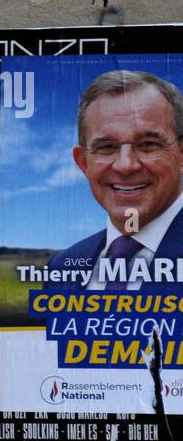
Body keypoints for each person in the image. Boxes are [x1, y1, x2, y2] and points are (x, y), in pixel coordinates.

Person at [46, 70, 183, 291]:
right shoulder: (61, 268)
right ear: (83, 162)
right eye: (106, 147)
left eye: (148, 144)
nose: (125, 165)